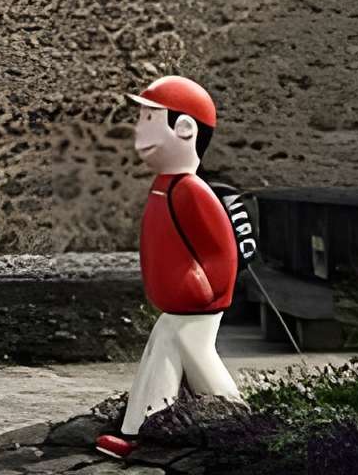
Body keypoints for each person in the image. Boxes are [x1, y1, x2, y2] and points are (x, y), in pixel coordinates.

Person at [102, 76, 243, 442]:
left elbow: (221, 249)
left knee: (200, 361)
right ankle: (140, 430)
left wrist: (205, 290)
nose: (138, 129)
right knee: (162, 350)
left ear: (184, 128)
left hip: (198, 302)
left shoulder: (192, 191)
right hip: (179, 302)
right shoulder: (167, 185)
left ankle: (241, 425)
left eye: (150, 118)